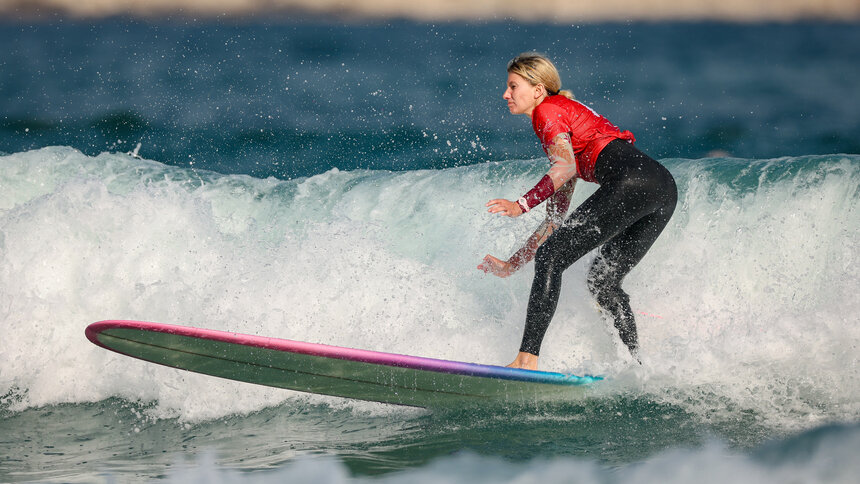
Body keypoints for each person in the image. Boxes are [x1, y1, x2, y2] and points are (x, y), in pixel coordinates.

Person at [478, 53, 677, 370]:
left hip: (632, 183)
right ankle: (636, 368)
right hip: (663, 188)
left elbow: (564, 167)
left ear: (538, 90)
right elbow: (555, 219)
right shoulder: (564, 120)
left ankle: (526, 360)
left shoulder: (546, 112)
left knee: (551, 259)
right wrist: (513, 263)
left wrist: (521, 204)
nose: (506, 94)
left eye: (513, 86)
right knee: (603, 283)